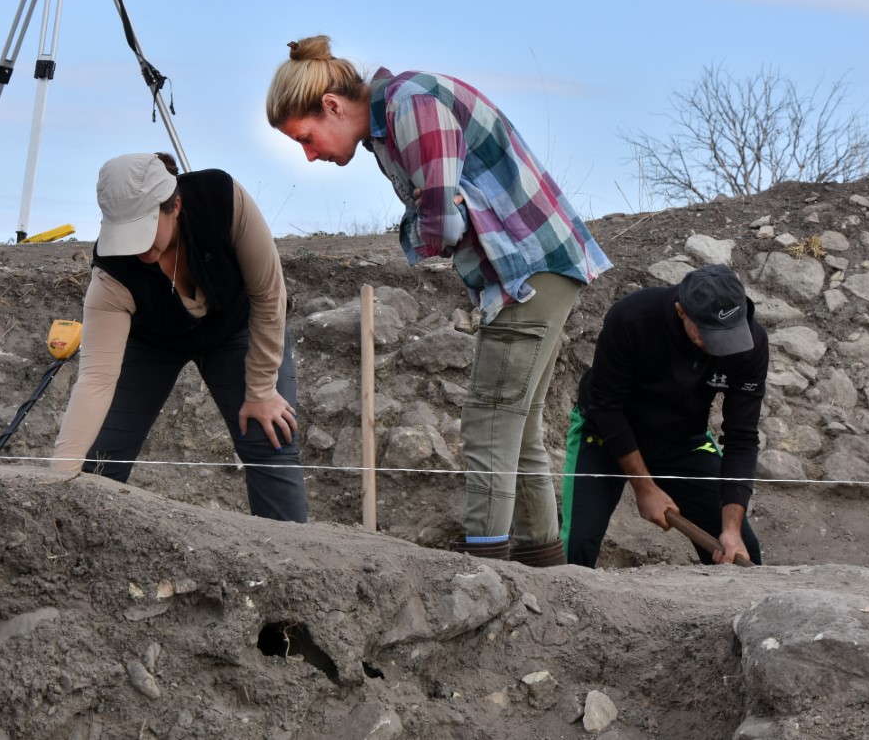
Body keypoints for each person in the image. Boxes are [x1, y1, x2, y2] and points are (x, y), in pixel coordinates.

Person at [266, 36, 611, 565]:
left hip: (527, 267)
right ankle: (545, 566)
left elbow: (443, 225)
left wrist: (423, 229)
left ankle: (483, 568)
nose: (310, 154)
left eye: (305, 138)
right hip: (541, 262)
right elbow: (441, 207)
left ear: (331, 106)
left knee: (488, 420)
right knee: (517, 426)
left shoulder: (411, 107)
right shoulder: (393, 120)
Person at [51, 152, 308, 523]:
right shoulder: (111, 275)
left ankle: (292, 559)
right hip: (152, 344)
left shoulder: (221, 200)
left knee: (269, 437)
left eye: (144, 230)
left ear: (175, 206)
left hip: (236, 327)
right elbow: (95, 379)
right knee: (99, 458)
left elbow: (269, 294)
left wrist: (262, 390)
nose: (138, 250)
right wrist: (61, 478)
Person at [561, 264, 768, 567]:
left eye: (729, 335)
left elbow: (742, 437)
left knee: (742, 550)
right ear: (682, 311)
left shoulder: (751, 344)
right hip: (603, 433)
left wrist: (731, 529)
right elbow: (606, 405)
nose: (721, 348)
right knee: (578, 543)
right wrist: (645, 488)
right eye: (710, 335)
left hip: (683, 441)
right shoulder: (632, 318)